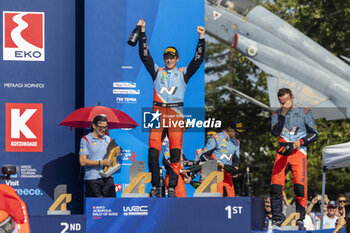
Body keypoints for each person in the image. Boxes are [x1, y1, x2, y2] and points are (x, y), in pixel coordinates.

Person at [137, 18, 206, 197]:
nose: (168, 60)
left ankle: (172, 187)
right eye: (166, 57)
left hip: (176, 112)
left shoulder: (183, 73)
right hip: (157, 112)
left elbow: (197, 61)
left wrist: (201, 39)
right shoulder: (157, 72)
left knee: (175, 155)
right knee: (153, 153)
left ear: (177, 59)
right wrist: (142, 34)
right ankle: (154, 186)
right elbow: (145, 56)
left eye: (172, 57)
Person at [270, 88, 318, 230]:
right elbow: (275, 132)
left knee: (300, 188)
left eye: (286, 101)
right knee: (275, 187)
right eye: (281, 102)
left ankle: (300, 219)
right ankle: (277, 219)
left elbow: (315, 134)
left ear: (292, 98)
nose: (283, 104)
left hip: (299, 153)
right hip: (282, 153)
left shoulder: (304, 112)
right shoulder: (276, 114)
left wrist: (300, 142)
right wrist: (283, 114)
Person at [196, 118, 244, 197]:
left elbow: (236, 158)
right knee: (217, 199)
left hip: (228, 174)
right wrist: (216, 163)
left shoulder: (236, 142)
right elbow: (204, 155)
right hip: (214, 173)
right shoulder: (216, 138)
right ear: (229, 128)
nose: (238, 133)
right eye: (236, 131)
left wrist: (235, 168)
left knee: (231, 197)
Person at [79, 114, 116, 197]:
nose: (103, 130)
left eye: (105, 127)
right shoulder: (85, 139)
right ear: (94, 126)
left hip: (108, 176)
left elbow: (112, 156)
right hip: (92, 178)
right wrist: (102, 162)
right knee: (94, 207)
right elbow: (82, 161)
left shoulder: (108, 139)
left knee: (111, 205)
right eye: (101, 127)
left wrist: (115, 155)